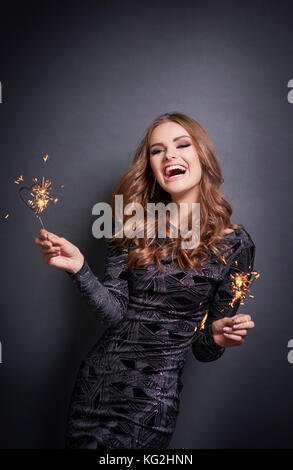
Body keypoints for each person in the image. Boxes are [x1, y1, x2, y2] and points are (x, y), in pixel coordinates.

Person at [35, 112, 256, 449]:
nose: (169, 155)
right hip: (98, 388)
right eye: (157, 150)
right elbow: (115, 314)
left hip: (153, 402)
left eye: (182, 144)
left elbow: (204, 350)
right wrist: (79, 268)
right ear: (152, 166)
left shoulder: (236, 245)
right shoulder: (130, 226)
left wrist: (216, 336)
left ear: (203, 158)